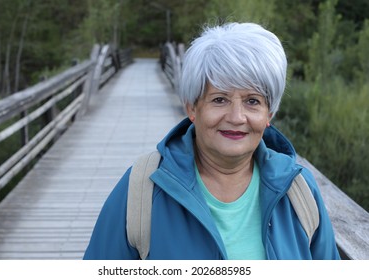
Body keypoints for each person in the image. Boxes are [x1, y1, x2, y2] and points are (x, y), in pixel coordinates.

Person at [83, 22, 340, 260]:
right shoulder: (142, 187)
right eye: (219, 99)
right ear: (192, 108)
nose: (237, 117)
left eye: (252, 101)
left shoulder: (298, 190)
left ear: (268, 114)